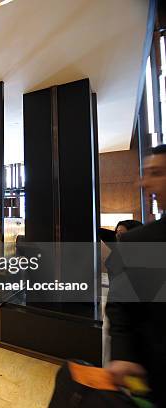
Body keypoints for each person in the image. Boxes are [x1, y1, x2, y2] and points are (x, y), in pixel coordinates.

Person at [106, 144, 166, 407]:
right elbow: (122, 307)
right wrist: (124, 354)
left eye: (156, 173)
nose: (143, 182)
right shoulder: (139, 241)